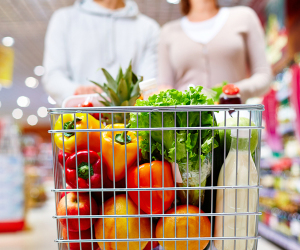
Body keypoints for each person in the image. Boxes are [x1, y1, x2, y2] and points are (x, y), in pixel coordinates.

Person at [43, 0, 160, 106]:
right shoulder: (63, 19)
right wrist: (76, 90)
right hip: (80, 120)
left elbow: (149, 82)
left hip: (132, 124)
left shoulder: (149, 28)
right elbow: (53, 76)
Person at [158, 0, 272, 103]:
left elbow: (263, 76)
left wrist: (231, 91)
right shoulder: (168, 32)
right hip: (187, 122)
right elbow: (164, 87)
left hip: (233, 119)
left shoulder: (244, 17)